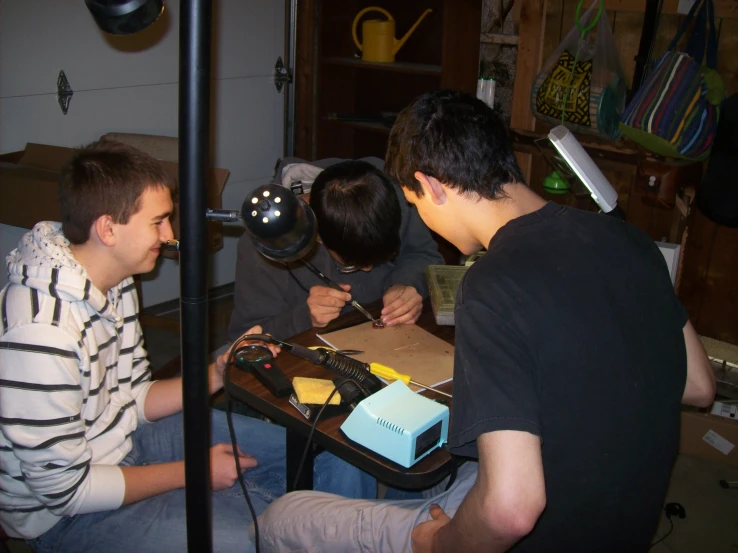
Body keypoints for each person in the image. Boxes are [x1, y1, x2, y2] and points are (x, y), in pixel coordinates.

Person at [250, 90, 717, 553]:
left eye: (416, 205)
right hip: (624, 530)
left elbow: (512, 509)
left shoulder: (492, 285)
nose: (424, 220)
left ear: (431, 186)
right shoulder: (630, 239)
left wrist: (438, 545)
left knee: (281, 520)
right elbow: (698, 384)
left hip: (538, 536)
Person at [0, 140, 374, 553]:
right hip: (66, 517)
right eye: (158, 222)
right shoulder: (41, 335)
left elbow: (136, 396)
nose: (171, 235)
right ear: (108, 229)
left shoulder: (113, 278)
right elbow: (66, 491)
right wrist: (192, 472)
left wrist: (217, 372)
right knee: (262, 538)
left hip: (129, 441)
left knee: (334, 450)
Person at [228, 157, 444, 342]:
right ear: (318, 235)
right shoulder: (265, 246)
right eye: (351, 263)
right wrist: (305, 317)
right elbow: (245, 342)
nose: (368, 270)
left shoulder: (388, 193)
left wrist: (407, 284)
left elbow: (425, 255)